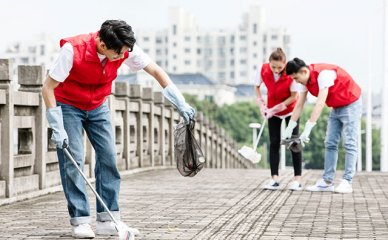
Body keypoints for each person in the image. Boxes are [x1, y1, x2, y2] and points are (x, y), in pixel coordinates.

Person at [42, 20, 195, 239]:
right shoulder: (72, 50)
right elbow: (48, 88)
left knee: (108, 158)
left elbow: (155, 71)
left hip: (98, 106)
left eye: (125, 52)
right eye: (118, 53)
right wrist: (57, 126)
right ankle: (80, 221)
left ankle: (107, 218)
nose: (122, 56)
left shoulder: (124, 47)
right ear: (102, 45)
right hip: (68, 106)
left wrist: (180, 102)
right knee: (74, 159)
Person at [284, 58, 362, 194]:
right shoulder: (304, 80)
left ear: (303, 71)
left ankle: (347, 181)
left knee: (350, 143)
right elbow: (299, 105)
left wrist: (307, 129)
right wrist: (290, 127)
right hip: (336, 106)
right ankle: (327, 182)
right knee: (330, 143)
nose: (296, 82)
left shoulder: (323, 75)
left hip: (351, 103)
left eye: (296, 78)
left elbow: (320, 103)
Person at [254, 48, 303, 191]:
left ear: (285, 63)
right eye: (273, 66)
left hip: (290, 110)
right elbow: (257, 86)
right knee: (274, 142)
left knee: (293, 141)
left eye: (279, 67)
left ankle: (297, 179)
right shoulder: (263, 69)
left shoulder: (290, 73)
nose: (276, 70)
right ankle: (274, 179)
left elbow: (294, 96)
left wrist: (278, 108)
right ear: (269, 63)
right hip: (271, 111)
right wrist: (261, 104)